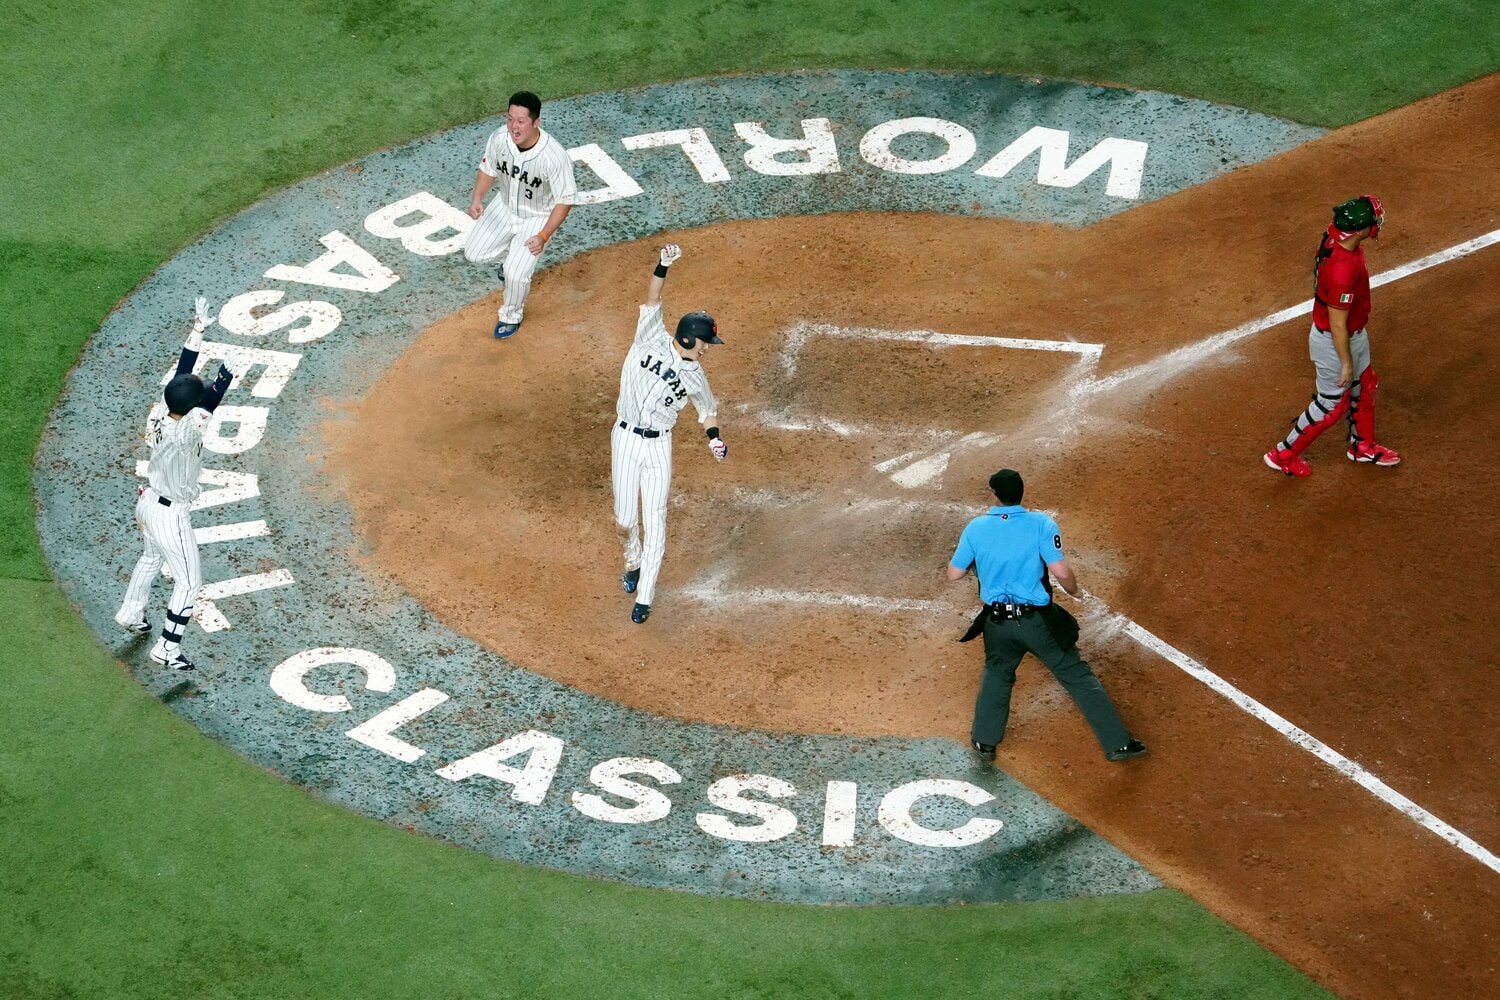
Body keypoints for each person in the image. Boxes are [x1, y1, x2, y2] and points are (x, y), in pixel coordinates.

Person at [946, 469, 1146, 762]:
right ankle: (1118, 744)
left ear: (994, 495)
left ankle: (984, 742)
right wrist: (1074, 591)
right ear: (1020, 494)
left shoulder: (975, 528)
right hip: (1037, 623)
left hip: (996, 624)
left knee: (997, 674)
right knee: (1076, 674)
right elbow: (1061, 572)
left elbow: (954, 574)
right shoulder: (1041, 524)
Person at [114, 298, 236, 671]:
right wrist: (223, 381)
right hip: (170, 515)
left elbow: (181, 377)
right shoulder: (188, 430)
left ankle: (131, 613)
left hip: (148, 503)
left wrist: (197, 331)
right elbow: (208, 401)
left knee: (151, 558)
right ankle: (167, 647)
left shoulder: (163, 411)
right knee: (188, 583)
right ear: (193, 407)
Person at [612, 243, 726, 625]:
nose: (708, 350)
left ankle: (645, 596)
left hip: (659, 445)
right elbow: (652, 297)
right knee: (625, 518)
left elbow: (707, 409)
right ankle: (633, 558)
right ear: (691, 339)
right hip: (625, 439)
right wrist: (663, 265)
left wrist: (713, 437)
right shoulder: (650, 337)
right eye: (706, 343)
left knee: (656, 518)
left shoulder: (696, 375)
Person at [1264, 195, 1401, 477]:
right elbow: (1338, 324)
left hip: (1352, 334)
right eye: (1372, 222)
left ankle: (1362, 446)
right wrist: (1346, 362)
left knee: (1364, 386)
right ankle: (1282, 455)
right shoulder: (1342, 270)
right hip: (1334, 341)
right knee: (1330, 406)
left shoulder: (1334, 236)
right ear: (1361, 229)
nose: (1377, 223)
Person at [463, 90, 580, 340]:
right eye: (509, 119)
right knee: (474, 254)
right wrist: (477, 199)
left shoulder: (554, 157)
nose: (513, 127)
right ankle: (511, 260)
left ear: (536, 122)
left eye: (521, 121)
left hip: (537, 217)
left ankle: (510, 316)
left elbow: (565, 200)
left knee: (517, 275)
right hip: (503, 207)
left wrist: (544, 235)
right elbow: (488, 168)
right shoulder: (499, 138)